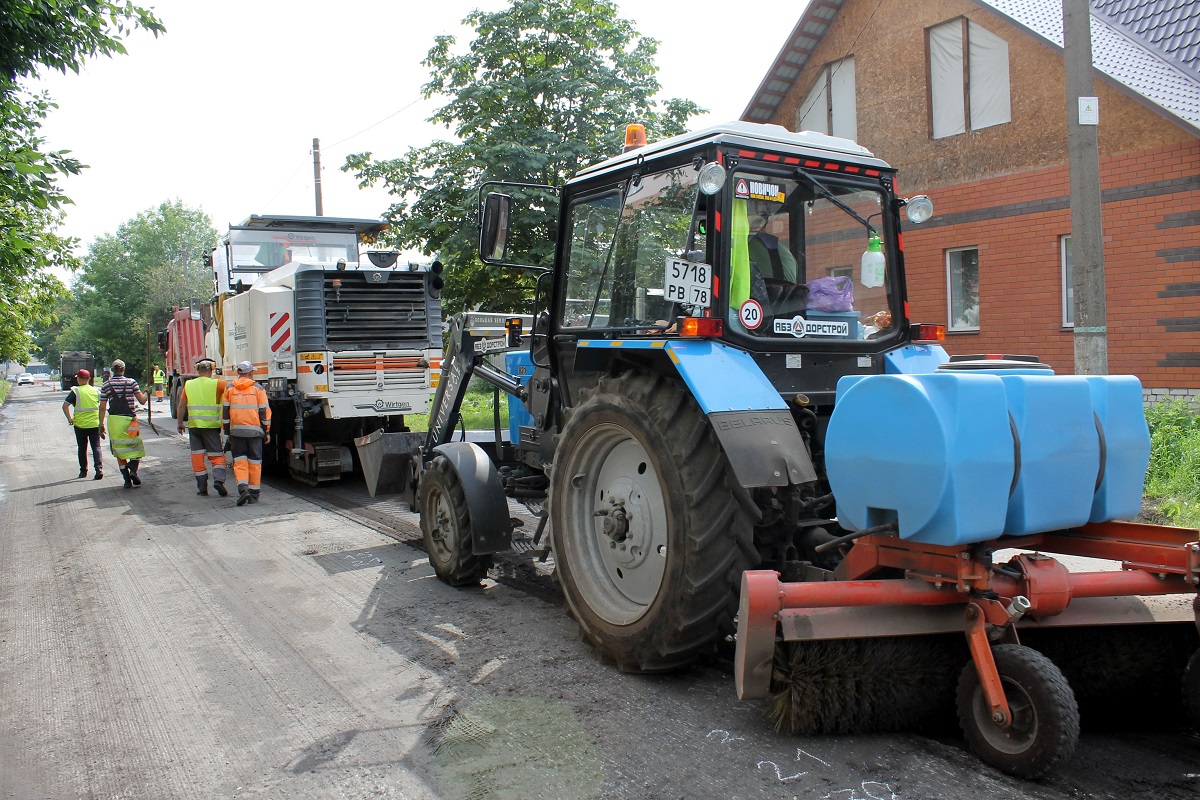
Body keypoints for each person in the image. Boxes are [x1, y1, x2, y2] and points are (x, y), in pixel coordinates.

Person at [177, 358, 228, 496]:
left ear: (197, 370)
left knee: (197, 456)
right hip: (211, 427)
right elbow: (234, 391)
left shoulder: (188, 384)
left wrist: (180, 423)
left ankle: (202, 487)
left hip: (194, 427)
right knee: (216, 455)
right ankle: (218, 480)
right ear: (211, 369)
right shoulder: (219, 384)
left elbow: (181, 405)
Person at [222, 360, 271, 506]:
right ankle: (254, 493)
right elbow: (264, 411)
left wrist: (227, 432)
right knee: (255, 462)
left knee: (240, 461)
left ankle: (243, 489)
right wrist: (267, 431)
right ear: (250, 373)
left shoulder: (229, 388)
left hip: (236, 431)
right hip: (255, 432)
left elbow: (225, 412)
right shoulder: (258, 389)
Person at [98, 359, 148, 489]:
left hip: (114, 421)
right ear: (123, 369)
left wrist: (101, 425)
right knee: (136, 448)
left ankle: (126, 479)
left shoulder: (106, 385)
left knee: (119, 451)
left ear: (112, 370)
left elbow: (102, 407)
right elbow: (142, 401)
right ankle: (132, 469)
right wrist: (147, 392)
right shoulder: (131, 382)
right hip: (130, 420)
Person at [62, 369, 103, 480]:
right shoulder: (96, 391)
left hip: (80, 425)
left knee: (82, 448)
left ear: (78, 379)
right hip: (94, 424)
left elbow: (65, 406)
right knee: (96, 446)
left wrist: (70, 419)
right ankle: (99, 468)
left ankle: (83, 471)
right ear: (89, 379)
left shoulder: (76, 391)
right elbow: (102, 406)